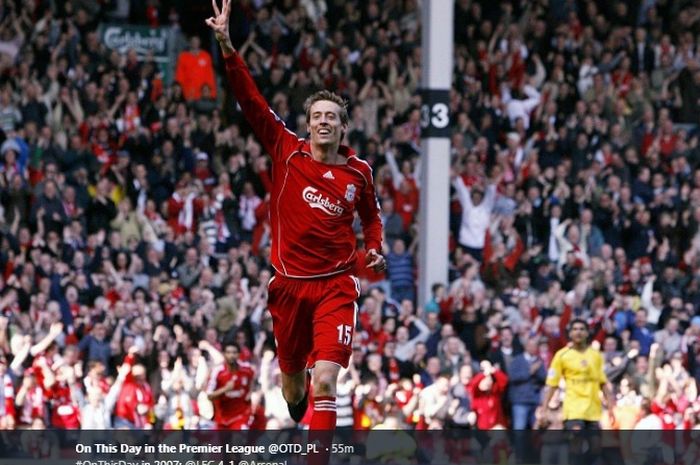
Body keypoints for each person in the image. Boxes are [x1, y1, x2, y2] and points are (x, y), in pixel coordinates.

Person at [205, 0, 385, 440]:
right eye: (317, 117)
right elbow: (250, 100)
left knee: (326, 381)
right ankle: (295, 391)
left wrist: (376, 249)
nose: (324, 123)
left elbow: (372, 219)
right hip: (288, 285)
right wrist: (228, 47)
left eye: (332, 118)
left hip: (336, 285)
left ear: (343, 128)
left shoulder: (358, 172)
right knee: (294, 387)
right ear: (307, 126)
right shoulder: (287, 149)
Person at [538, 318, 615, 464]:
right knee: (576, 439)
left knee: (596, 448)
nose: (578, 332)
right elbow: (552, 384)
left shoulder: (595, 356)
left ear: (587, 333)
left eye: (581, 329)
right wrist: (544, 407)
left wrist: (611, 407)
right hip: (573, 408)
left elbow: (603, 383)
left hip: (593, 408)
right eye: (575, 329)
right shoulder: (562, 355)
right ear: (570, 333)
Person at [206, 343, 255, 430]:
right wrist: (225, 389)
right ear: (224, 354)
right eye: (228, 352)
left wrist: (250, 392)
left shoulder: (247, 369)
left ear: (239, 354)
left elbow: (253, 381)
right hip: (222, 418)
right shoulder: (217, 372)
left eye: (234, 352)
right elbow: (209, 396)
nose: (231, 355)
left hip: (241, 416)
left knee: (238, 440)